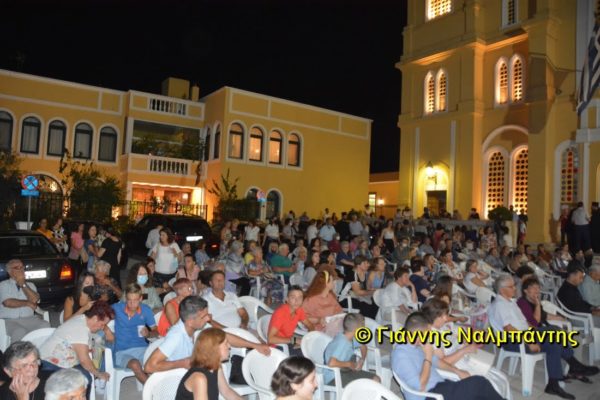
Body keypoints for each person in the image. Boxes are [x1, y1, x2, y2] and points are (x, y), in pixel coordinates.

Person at [489, 274, 597, 399]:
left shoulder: (509, 302)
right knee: (554, 339)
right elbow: (509, 329)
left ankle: (560, 378)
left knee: (556, 333)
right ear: (502, 290)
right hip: (514, 341)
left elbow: (524, 322)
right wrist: (529, 342)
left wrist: (537, 330)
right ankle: (569, 369)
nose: (515, 288)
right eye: (511, 286)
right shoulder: (500, 305)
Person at [391, 312, 504, 400]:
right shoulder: (401, 356)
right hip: (429, 396)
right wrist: (428, 357)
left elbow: (437, 361)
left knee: (480, 391)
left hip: (442, 386)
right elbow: (420, 386)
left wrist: (457, 371)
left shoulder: (418, 345)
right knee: (479, 384)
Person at [145, 296, 270, 374]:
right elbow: (149, 367)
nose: (208, 318)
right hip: (173, 379)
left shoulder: (198, 325)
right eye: (204, 316)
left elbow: (225, 336)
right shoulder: (176, 336)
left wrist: (255, 345)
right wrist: (182, 363)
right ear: (190, 321)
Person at [420, 299, 510, 399]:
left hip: (463, 358)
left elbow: (455, 339)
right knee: (493, 384)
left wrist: (465, 343)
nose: (446, 318)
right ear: (434, 317)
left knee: (501, 377)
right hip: (454, 366)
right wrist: (464, 350)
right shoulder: (431, 336)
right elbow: (442, 362)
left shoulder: (441, 327)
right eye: (443, 316)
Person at [40, 301, 114, 397]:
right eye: (102, 324)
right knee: (83, 379)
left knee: (87, 374)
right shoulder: (80, 328)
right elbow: (84, 360)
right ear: (95, 318)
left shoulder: (83, 319)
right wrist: (99, 374)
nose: (102, 327)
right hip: (50, 364)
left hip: (67, 362)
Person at [175, 327, 242, 400]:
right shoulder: (199, 378)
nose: (229, 346)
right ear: (215, 348)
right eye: (226, 343)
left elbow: (226, 391)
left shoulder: (215, 366)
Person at [111, 283, 158, 384]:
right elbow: (100, 315)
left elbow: (156, 331)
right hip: (121, 351)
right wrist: (106, 329)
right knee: (135, 364)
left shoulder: (146, 310)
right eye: (129, 300)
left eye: (135, 300)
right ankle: (152, 390)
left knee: (158, 360)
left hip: (142, 348)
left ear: (140, 298)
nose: (132, 304)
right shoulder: (117, 308)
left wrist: (148, 334)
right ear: (125, 298)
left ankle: (158, 386)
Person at [0, 259, 50, 341]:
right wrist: (28, 303)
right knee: (19, 331)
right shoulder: (3, 285)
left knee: (45, 325)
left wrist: (23, 284)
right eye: (17, 267)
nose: (21, 270)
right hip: (9, 320)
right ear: (10, 272)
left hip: (30, 318)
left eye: (22, 267)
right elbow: (8, 302)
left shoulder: (30, 285)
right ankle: (16, 350)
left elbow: (34, 300)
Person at [323, 313, 379, 386]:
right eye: (363, 326)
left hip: (346, 371)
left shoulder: (350, 337)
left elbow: (363, 347)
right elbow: (331, 363)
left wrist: (362, 360)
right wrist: (349, 364)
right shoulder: (342, 343)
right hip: (334, 377)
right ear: (357, 329)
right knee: (369, 384)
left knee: (376, 379)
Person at [268, 286, 315, 355]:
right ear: (287, 299)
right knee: (305, 356)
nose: (297, 301)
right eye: (293, 297)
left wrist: (308, 338)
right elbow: (270, 339)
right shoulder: (280, 314)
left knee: (311, 350)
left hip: (288, 341)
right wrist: (295, 340)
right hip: (277, 346)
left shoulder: (299, 310)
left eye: (300, 298)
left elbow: (310, 325)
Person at [302, 268, 343, 332]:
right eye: (332, 281)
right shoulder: (311, 299)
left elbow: (339, 310)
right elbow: (303, 318)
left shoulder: (330, 296)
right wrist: (318, 320)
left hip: (333, 327)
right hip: (319, 331)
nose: (334, 283)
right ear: (326, 283)